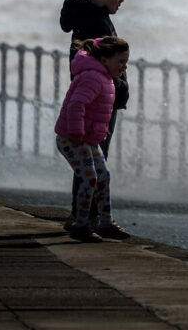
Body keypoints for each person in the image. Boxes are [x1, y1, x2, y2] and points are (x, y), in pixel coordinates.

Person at [59, 0, 128, 229]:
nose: (121, 0)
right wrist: (119, 89)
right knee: (91, 164)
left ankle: (91, 218)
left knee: (93, 164)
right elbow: (97, 67)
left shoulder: (93, 16)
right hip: (97, 103)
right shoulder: (94, 21)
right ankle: (85, 219)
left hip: (102, 101)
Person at [55, 36, 132, 242]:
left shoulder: (106, 78)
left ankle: (105, 223)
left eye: (126, 62)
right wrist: (77, 132)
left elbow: (97, 110)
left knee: (103, 176)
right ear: (105, 59)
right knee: (90, 178)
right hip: (71, 138)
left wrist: (98, 131)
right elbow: (76, 106)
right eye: (121, 61)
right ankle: (81, 225)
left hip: (88, 139)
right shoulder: (93, 77)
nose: (124, 66)